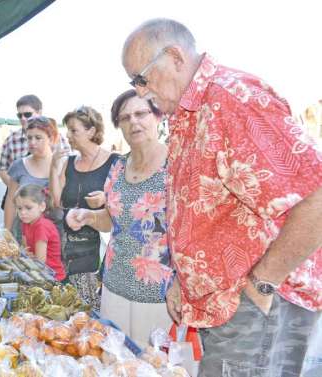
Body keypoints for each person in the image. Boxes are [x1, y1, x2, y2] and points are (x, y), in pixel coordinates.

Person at [122, 18, 322, 375]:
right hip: (231, 304)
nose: (140, 91)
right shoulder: (189, 112)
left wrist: (262, 283)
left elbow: (316, 199)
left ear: (174, 57)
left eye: (141, 78)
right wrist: (184, 281)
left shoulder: (233, 100)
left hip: (257, 304)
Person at [66, 90, 171, 348]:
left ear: (158, 116)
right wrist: (89, 216)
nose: (133, 121)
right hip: (114, 287)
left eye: (140, 113)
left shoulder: (176, 165)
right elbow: (114, 220)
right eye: (124, 117)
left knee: (155, 364)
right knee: (117, 362)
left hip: (161, 296)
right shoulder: (118, 167)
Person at [50, 106, 119, 310]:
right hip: (67, 248)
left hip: (97, 249)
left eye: (73, 130)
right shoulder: (69, 163)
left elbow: (126, 201)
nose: (68, 136)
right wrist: (54, 168)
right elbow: (56, 202)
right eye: (67, 130)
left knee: (89, 307)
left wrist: (105, 199)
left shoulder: (114, 162)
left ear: (91, 131)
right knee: (67, 306)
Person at [0, 95, 69, 211]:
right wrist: (21, 190)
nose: (23, 118)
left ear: (39, 112)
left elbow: (65, 168)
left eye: (27, 114)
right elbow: (3, 170)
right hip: (21, 207)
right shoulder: (11, 139)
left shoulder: (59, 139)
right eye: (19, 115)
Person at [4, 116, 58, 243]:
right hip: (23, 235)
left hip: (53, 236)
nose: (32, 142)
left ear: (51, 139)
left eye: (38, 138)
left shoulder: (62, 165)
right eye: (29, 138)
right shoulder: (18, 166)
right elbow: (11, 201)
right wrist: (6, 233)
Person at [16, 184, 66, 281]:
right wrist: (26, 254)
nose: (23, 212)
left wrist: (26, 254)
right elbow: (26, 250)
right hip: (38, 273)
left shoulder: (42, 226)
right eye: (19, 208)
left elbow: (40, 261)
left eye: (28, 208)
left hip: (52, 277)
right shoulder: (25, 223)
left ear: (42, 206)